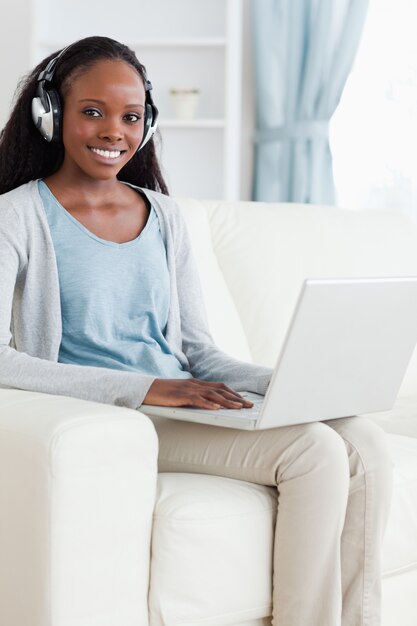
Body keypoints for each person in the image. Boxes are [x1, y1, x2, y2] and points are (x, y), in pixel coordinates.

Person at [0, 36, 392, 626]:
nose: (114, 132)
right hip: (117, 417)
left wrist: (286, 383)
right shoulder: (17, 216)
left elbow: (197, 351)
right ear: (49, 112)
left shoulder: (163, 215)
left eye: (131, 117)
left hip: (182, 402)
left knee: (365, 439)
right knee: (312, 451)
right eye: (92, 112)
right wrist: (147, 389)